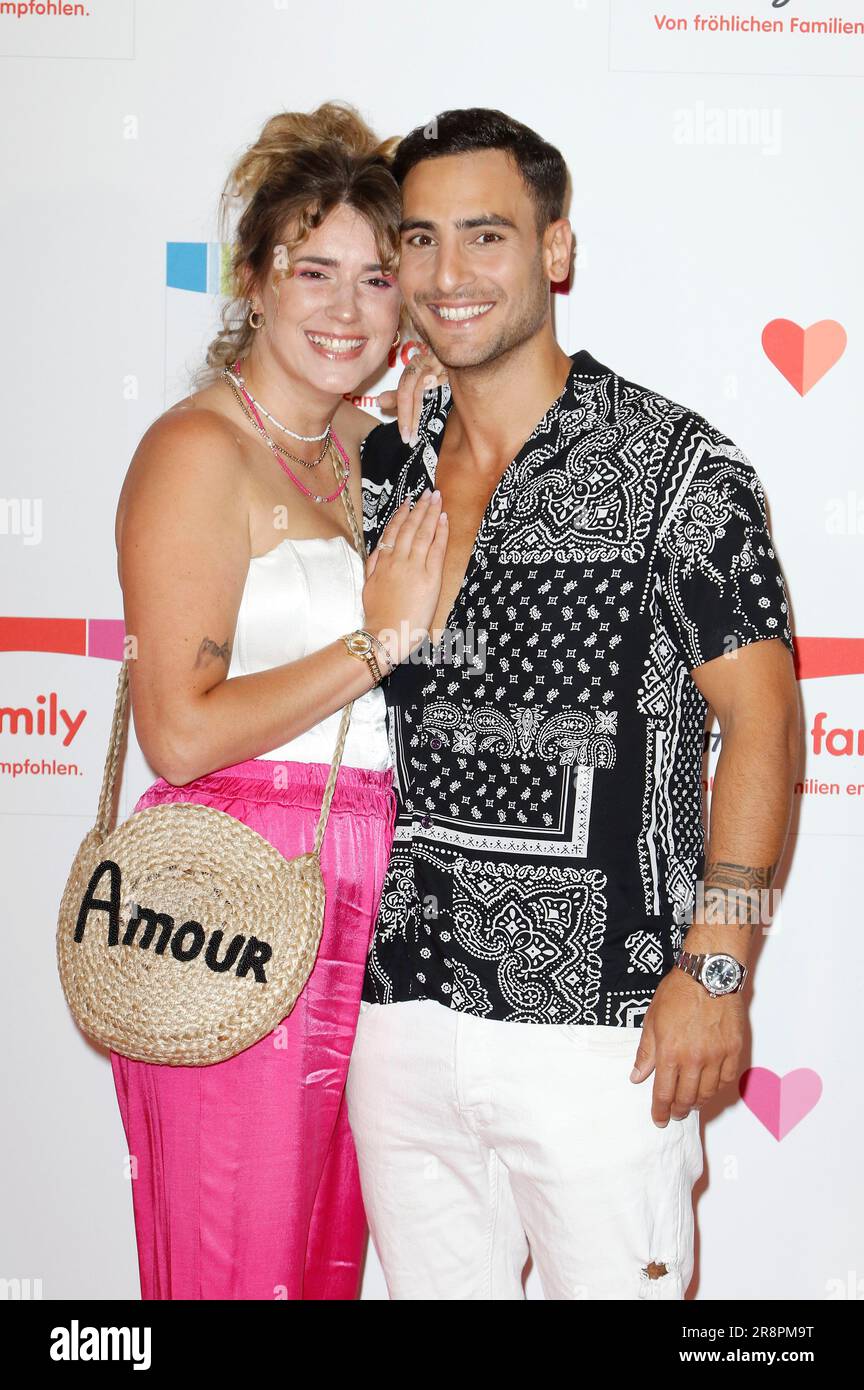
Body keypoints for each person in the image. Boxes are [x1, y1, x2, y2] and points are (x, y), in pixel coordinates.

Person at [346, 107, 801, 1301]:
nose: (451, 276)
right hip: (399, 1013)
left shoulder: (680, 466)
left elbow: (763, 725)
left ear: (557, 251)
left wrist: (718, 967)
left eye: (487, 237)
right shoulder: (381, 468)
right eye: (425, 241)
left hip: (609, 1027)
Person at [108, 101, 448, 1301]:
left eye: (374, 279)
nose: (347, 312)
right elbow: (180, 728)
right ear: (252, 277)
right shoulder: (198, 451)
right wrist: (376, 641)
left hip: (380, 895)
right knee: (233, 1260)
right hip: (236, 886)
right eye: (314, 271)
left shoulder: (377, 448)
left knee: (327, 1265)